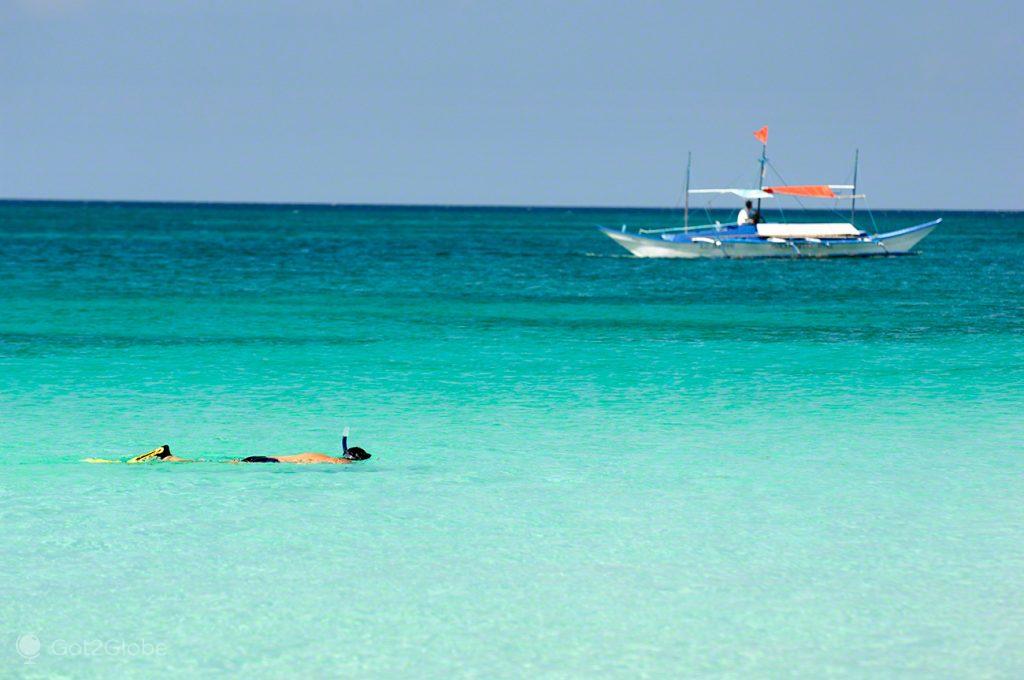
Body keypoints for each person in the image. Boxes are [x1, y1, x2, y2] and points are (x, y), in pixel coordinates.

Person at [116, 437, 371, 465]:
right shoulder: (333, 462)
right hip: (265, 462)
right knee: (205, 464)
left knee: (209, 462)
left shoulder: (320, 455)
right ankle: (167, 456)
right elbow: (342, 464)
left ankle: (168, 456)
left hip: (265, 458)